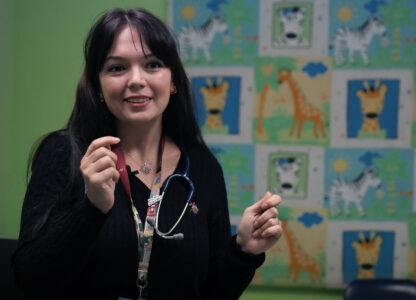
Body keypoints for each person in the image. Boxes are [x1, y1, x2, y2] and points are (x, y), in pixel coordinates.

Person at [12, 7, 283, 300]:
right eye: (117, 68)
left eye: (152, 65)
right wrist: (92, 208)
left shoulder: (203, 167)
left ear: (173, 80)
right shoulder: (65, 153)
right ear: (98, 86)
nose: (136, 80)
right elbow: (30, 281)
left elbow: (209, 293)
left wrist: (244, 251)